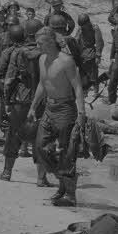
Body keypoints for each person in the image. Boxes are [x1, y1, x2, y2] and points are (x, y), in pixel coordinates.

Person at [30, 24, 89, 208]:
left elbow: (78, 87)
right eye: (36, 43)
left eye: (40, 43)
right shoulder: (41, 59)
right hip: (49, 108)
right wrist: (33, 107)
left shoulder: (66, 61)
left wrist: (81, 113)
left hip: (66, 109)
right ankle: (63, 181)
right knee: (39, 147)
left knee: (67, 152)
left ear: (51, 41)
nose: (38, 46)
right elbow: (42, 84)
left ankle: (70, 195)